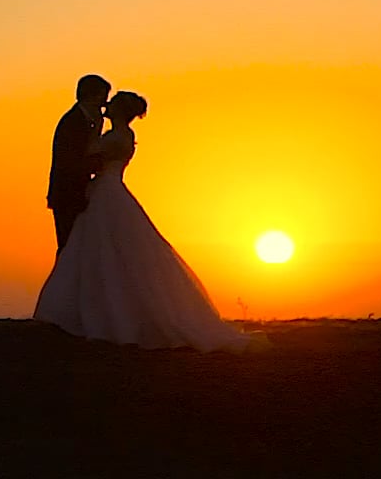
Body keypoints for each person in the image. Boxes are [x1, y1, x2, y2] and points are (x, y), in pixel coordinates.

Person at [33, 91, 259, 352]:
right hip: (106, 191)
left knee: (104, 251)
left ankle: (104, 317)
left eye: (112, 102)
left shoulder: (117, 137)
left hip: (106, 193)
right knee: (100, 251)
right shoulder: (122, 135)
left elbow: (88, 155)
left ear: (119, 110)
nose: (107, 104)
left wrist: (93, 130)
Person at [46, 74, 110, 249]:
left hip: (77, 193)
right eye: (103, 97)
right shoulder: (73, 122)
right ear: (93, 96)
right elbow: (71, 161)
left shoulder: (86, 121)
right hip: (68, 194)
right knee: (69, 247)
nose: (105, 104)